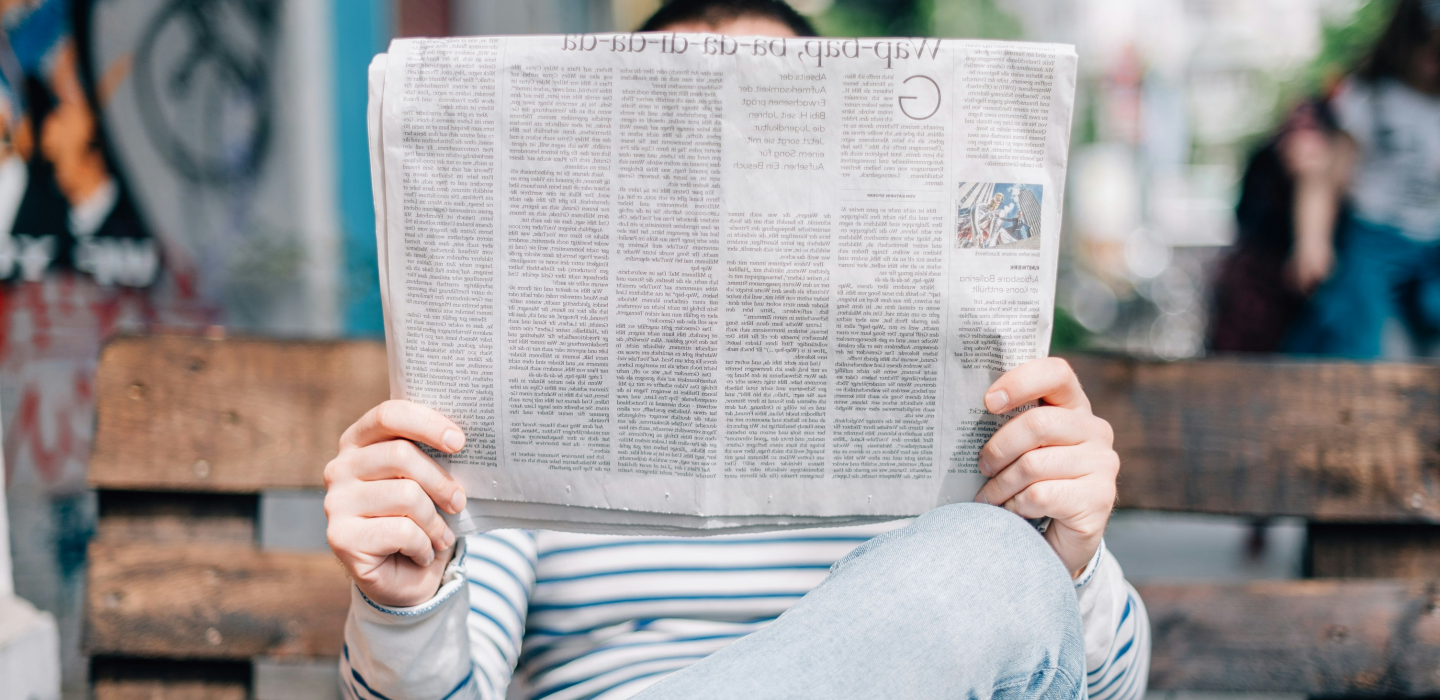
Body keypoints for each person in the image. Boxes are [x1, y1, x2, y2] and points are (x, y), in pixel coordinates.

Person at [327, 2, 1150, 699]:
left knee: (991, 562)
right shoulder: (519, 414)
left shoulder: (969, 416)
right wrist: (406, 605)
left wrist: (1067, 560)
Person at [1281, 0, 1440, 357]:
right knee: (1366, 339)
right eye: (1426, 45)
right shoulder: (1370, 97)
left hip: (1433, 244)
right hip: (1374, 238)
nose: (1432, 59)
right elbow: (1324, 178)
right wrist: (1312, 241)